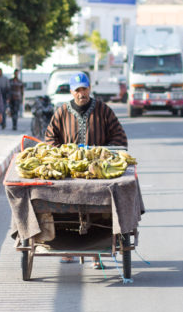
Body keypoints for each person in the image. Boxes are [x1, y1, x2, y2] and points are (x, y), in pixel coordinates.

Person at [45, 72, 128, 268]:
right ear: (71, 91)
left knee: (99, 210)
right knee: (64, 208)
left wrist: (103, 154)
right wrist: (64, 154)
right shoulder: (61, 112)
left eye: (84, 89)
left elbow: (119, 137)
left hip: (97, 172)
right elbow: (50, 139)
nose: (81, 93)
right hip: (67, 171)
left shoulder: (103, 110)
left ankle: (95, 252)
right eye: (78, 90)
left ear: (89, 89)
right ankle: (67, 250)